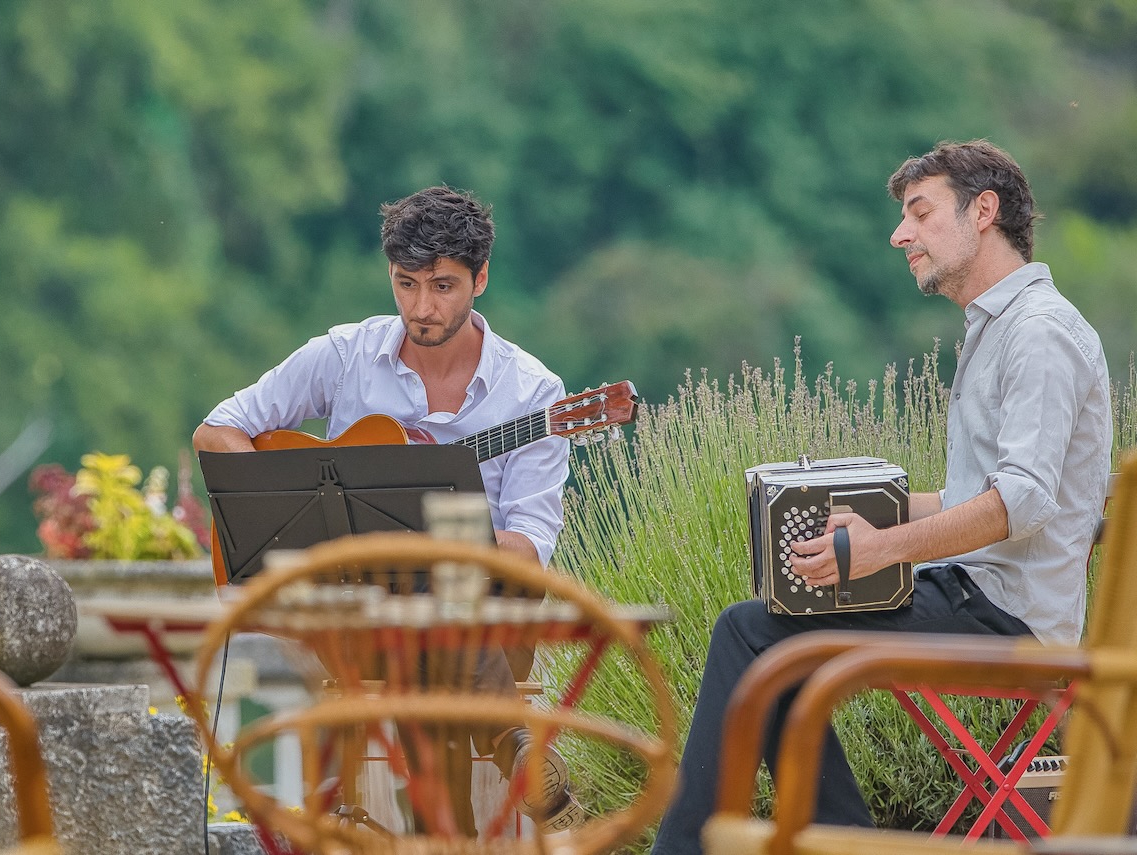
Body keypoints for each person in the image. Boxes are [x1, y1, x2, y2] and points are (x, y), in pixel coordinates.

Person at [649, 140, 1112, 854]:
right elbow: (976, 496)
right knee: (778, 626)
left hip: (1008, 621)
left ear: (983, 211)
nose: (900, 235)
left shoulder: (1038, 333)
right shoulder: (1002, 327)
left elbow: (1021, 502)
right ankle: (840, 840)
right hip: (977, 595)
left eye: (920, 214)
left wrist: (881, 549)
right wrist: (863, 512)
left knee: (750, 632)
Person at [193, 185, 583, 833]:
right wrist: (288, 490)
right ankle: (508, 746)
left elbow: (530, 553)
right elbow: (216, 432)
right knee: (417, 610)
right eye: (406, 284)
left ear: (481, 279)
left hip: (486, 622)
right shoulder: (345, 356)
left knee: (429, 598)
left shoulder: (534, 393)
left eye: (443, 286)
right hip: (352, 619)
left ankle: (426, 828)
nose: (422, 308)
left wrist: (446, 534)